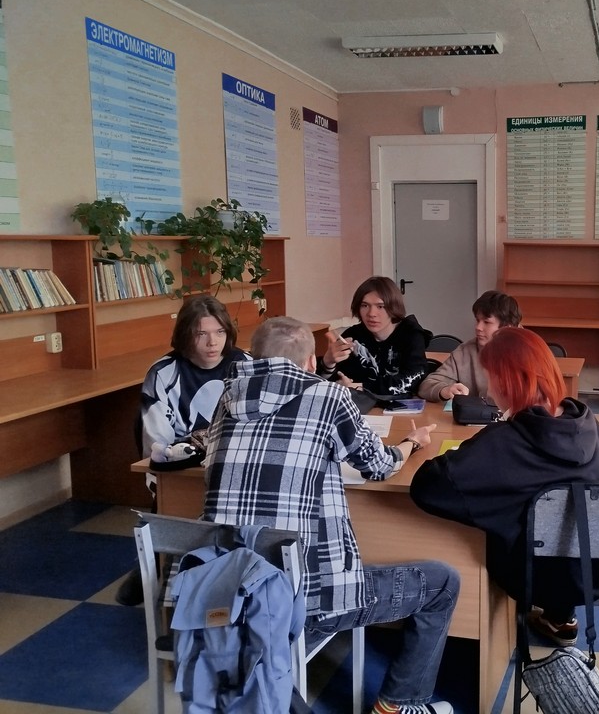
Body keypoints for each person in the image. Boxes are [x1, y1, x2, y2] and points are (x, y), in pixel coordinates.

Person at [204, 316, 459, 714]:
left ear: (255, 356)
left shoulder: (227, 397)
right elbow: (379, 465)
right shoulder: (329, 396)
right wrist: (411, 442)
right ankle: (398, 705)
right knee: (444, 582)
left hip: (228, 598)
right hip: (302, 602)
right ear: (310, 362)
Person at [409, 327, 599, 647]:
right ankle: (560, 616)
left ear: (505, 381)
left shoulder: (506, 442)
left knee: (489, 523)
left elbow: (426, 487)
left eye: (490, 377)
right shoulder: (588, 424)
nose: (489, 389)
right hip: (598, 567)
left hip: (533, 576)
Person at [115, 294, 249, 606]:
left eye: (219, 332)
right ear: (186, 334)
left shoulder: (245, 364)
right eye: (201, 334)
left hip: (233, 463)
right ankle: (155, 560)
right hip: (181, 467)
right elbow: (157, 444)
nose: (212, 343)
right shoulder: (164, 372)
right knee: (177, 505)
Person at [318, 276, 432, 396]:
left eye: (380, 306)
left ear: (394, 307)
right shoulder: (353, 336)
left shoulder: (411, 335)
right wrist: (328, 363)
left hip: (403, 405)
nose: (371, 314)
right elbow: (330, 382)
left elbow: (411, 381)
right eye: (365, 305)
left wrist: (358, 387)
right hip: (360, 405)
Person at [417, 290, 522, 402]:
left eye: (486, 322)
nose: (478, 327)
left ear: (507, 327)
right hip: (475, 413)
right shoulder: (464, 352)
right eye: (477, 320)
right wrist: (445, 390)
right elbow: (426, 386)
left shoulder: (527, 353)